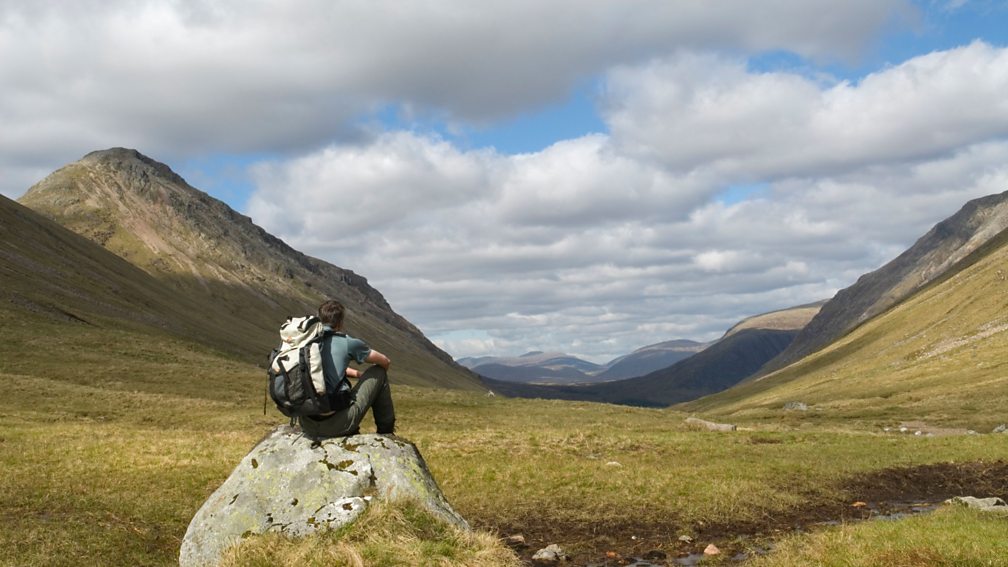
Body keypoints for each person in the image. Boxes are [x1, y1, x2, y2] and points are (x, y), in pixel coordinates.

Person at [298, 299, 396, 438]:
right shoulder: (346, 342)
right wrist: (369, 377)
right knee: (379, 371)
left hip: (307, 425)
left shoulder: (306, 343)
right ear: (340, 322)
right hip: (338, 425)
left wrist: (356, 374)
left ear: (320, 319)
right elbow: (385, 361)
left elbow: (321, 370)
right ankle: (386, 432)